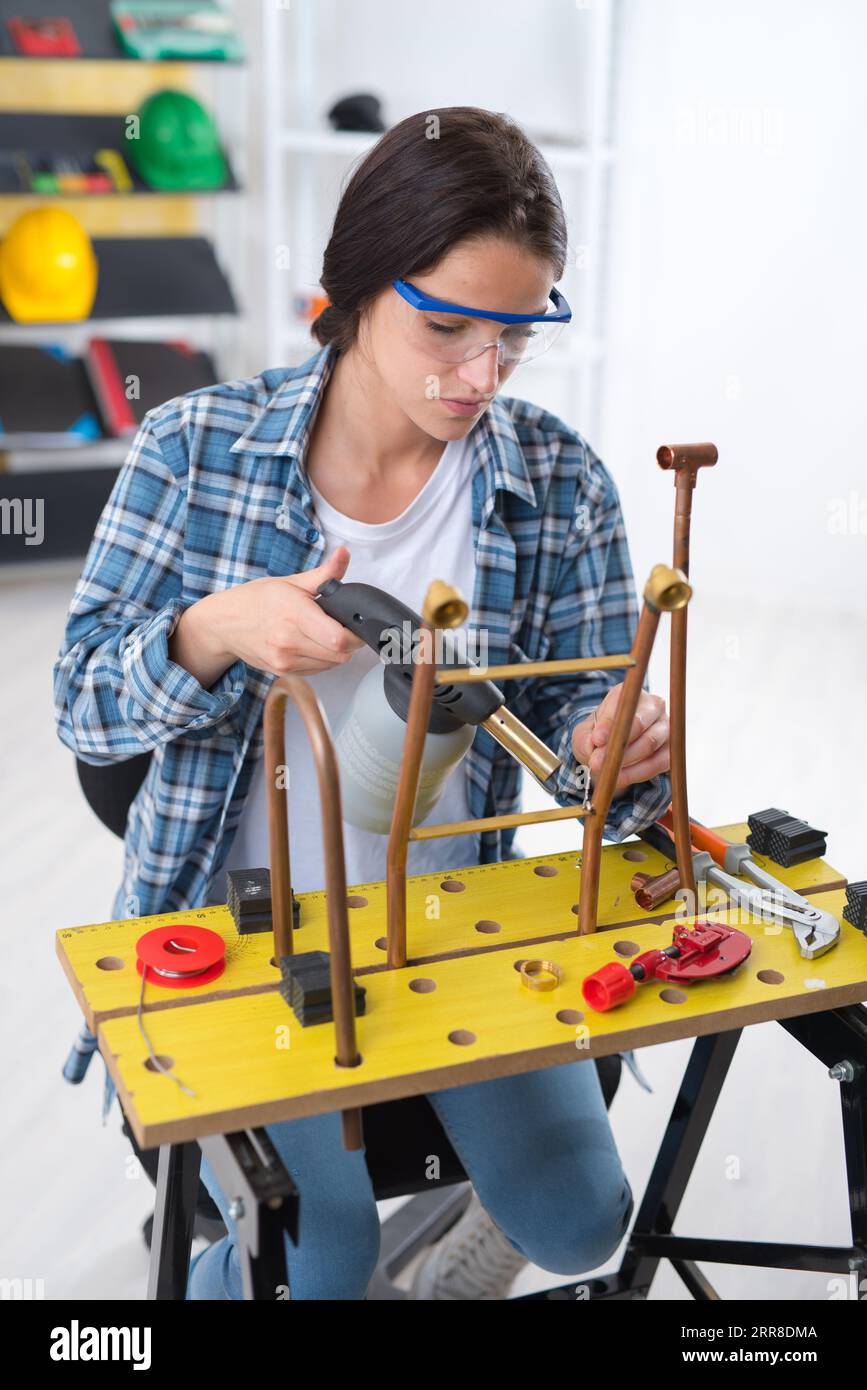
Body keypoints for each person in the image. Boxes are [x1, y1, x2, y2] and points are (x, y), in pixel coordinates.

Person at [54, 107, 671, 1300]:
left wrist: (610, 741)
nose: (481, 378)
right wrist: (212, 630)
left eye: (518, 338)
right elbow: (83, 704)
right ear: (352, 290)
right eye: (447, 326)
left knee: (586, 1217)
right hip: (237, 942)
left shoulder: (559, 482)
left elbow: (581, 718)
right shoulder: (194, 452)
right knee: (316, 1263)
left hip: (444, 917)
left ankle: (441, 1249)